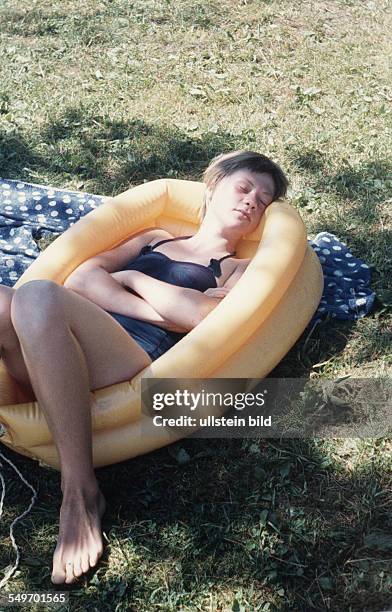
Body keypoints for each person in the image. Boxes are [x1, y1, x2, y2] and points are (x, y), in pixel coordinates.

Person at [0, 150, 288, 584]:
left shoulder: (237, 266)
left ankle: (80, 492)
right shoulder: (154, 236)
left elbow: (207, 318)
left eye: (263, 201)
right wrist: (168, 305)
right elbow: (80, 279)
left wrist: (131, 280)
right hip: (64, 340)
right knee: (10, 299)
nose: (251, 202)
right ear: (212, 187)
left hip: (133, 356)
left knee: (38, 295)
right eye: (244, 188)